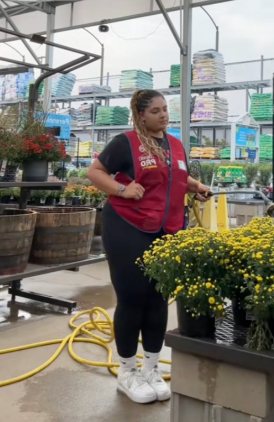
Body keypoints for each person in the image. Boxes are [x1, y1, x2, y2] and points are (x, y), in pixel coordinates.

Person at [86, 90, 212, 404]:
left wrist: (196, 187)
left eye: (165, 109)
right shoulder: (125, 142)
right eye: (155, 111)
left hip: (167, 229)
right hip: (128, 227)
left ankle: (151, 368)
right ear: (141, 115)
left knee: (158, 298)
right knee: (132, 298)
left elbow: (177, 178)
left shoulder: (175, 145)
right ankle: (127, 371)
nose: (163, 115)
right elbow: (95, 172)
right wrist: (121, 189)